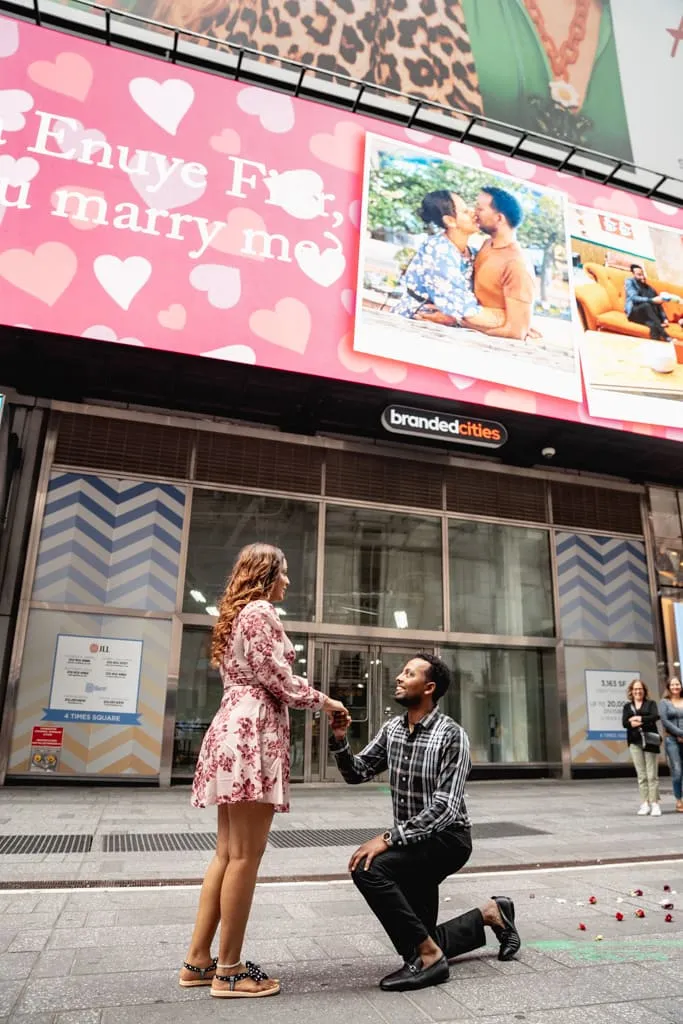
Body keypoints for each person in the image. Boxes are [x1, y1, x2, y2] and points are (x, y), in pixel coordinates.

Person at [180, 543, 347, 999]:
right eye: (284, 573)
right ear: (266, 574)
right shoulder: (260, 613)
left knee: (227, 853)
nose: (288, 582)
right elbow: (279, 679)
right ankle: (230, 971)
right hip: (253, 732)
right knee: (245, 857)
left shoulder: (234, 615)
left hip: (231, 725)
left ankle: (199, 960)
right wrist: (326, 701)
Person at [329, 653, 520, 993]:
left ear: (429, 687)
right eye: (401, 672)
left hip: (447, 840)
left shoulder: (451, 736)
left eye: (409, 673)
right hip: (412, 842)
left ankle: (431, 960)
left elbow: (445, 808)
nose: (399, 678)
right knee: (416, 942)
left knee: (369, 869)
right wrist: (341, 740)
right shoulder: (392, 730)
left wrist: (389, 838)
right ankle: (491, 914)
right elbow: (356, 773)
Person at [416, 187, 535, 340]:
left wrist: (457, 321)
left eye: (480, 209)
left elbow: (516, 332)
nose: (474, 212)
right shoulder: (486, 245)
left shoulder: (517, 265)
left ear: (498, 218)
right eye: (468, 210)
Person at [392, 190, 505, 331]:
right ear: (450, 221)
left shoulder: (472, 253)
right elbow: (467, 311)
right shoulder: (438, 250)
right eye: (464, 211)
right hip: (413, 325)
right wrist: (512, 321)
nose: (472, 212)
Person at [622, 678, 661, 816]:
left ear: (644, 691)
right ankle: (645, 803)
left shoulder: (651, 704)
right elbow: (625, 723)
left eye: (640, 689)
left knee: (652, 774)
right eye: (635, 689)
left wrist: (637, 719)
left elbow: (655, 716)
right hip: (634, 742)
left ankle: (655, 803)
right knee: (642, 775)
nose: (638, 691)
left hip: (650, 741)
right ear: (631, 692)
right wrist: (643, 720)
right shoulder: (627, 707)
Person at [625, 265, 671, 342]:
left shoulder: (650, 289)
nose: (642, 277)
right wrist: (651, 300)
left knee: (653, 325)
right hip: (634, 313)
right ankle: (666, 336)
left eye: (642, 274)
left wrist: (664, 318)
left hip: (646, 317)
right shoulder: (630, 282)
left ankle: (655, 346)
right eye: (639, 275)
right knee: (646, 305)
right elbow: (634, 298)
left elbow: (659, 305)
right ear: (633, 275)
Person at [659, 677, 683, 813]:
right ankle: (678, 800)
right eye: (673, 684)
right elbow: (665, 721)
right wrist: (680, 734)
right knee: (677, 770)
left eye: (677, 684)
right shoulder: (664, 702)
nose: (675, 686)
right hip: (672, 740)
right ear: (668, 687)